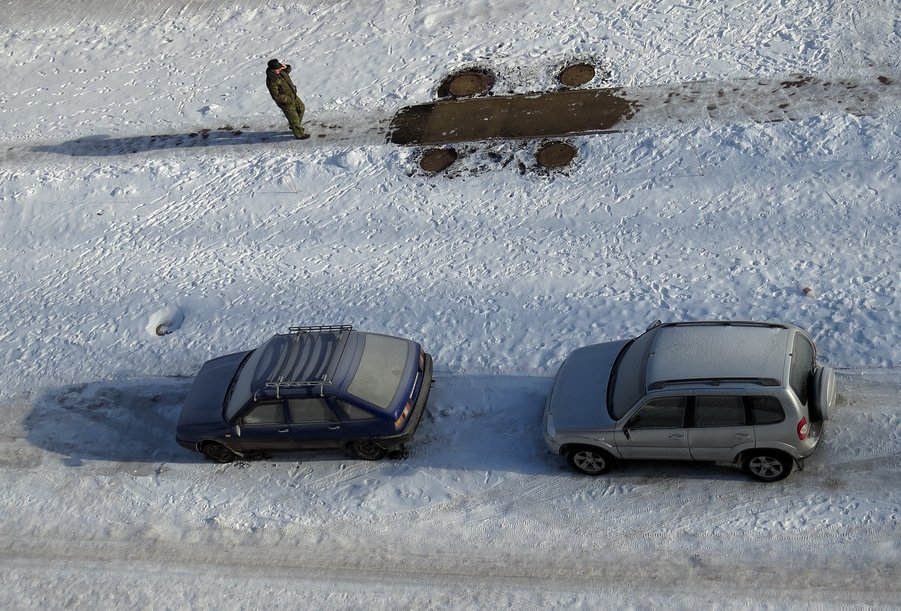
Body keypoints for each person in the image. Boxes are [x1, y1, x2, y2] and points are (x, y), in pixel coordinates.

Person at [266, 59, 309, 139]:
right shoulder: (271, 80)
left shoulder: (281, 71)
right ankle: (299, 134)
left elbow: (288, 69)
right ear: (272, 70)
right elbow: (276, 96)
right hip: (285, 101)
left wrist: (286, 66)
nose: (279, 70)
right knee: (293, 117)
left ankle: (294, 126)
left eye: (279, 68)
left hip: (293, 95)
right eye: (277, 69)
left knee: (301, 108)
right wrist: (288, 99)